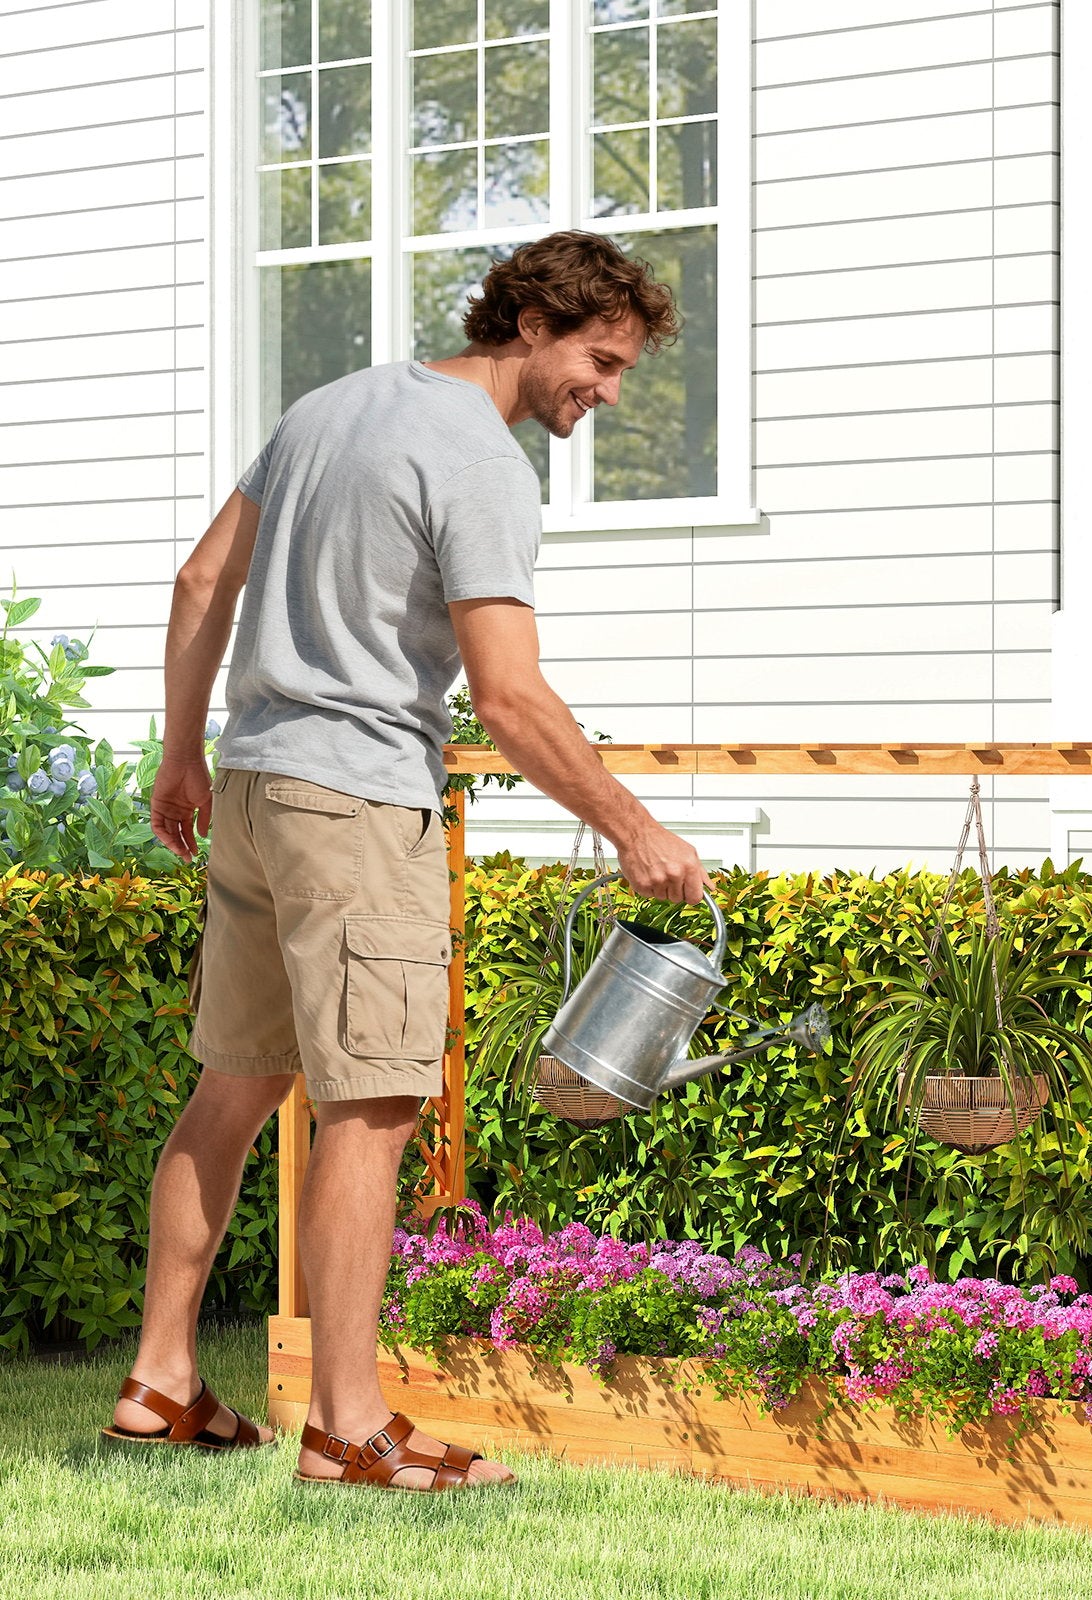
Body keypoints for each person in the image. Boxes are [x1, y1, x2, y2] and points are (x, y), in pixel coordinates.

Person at [103, 231, 709, 1493]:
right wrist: (633, 827)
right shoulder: (480, 459)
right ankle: (350, 1423)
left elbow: (200, 577)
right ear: (534, 321)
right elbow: (509, 693)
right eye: (599, 361)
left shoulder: (334, 405)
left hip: (260, 784)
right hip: (359, 804)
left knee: (234, 1085)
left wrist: (180, 754)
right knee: (372, 1106)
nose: (605, 393)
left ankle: (160, 1381)